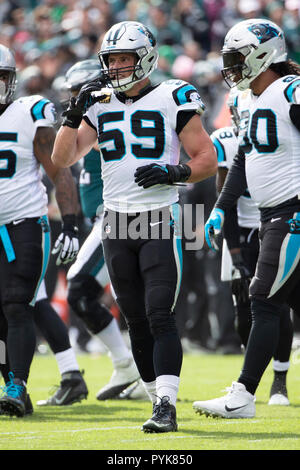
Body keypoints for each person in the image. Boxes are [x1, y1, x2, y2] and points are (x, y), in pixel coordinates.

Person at [51, 21, 217, 433]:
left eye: (124, 58)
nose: (117, 66)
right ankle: (153, 395)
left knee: (160, 314)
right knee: (136, 319)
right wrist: (73, 114)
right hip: (115, 223)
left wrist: (173, 170)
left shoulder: (172, 95)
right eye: (112, 60)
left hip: (159, 218)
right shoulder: (99, 103)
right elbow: (63, 158)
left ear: (144, 57)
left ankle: (166, 404)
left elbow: (206, 158)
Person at [193, 18, 300, 419]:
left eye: (237, 57)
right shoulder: (253, 99)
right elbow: (242, 159)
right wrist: (222, 206)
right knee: (275, 300)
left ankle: (243, 395)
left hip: (291, 213)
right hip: (273, 213)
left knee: (263, 299)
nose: (232, 66)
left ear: (262, 54)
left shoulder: (289, 90)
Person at [0, 43, 80, 417]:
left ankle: (17, 384)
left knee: (18, 304)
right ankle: (13, 389)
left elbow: (58, 170)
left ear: (11, 81)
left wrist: (72, 222)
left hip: (25, 224)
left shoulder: (29, 111)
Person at [58, 59, 143, 402]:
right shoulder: (90, 118)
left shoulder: (108, 116)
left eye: (82, 93)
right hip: (105, 220)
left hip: (121, 218)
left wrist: (86, 109)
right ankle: (129, 366)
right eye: (73, 95)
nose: (77, 100)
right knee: (102, 295)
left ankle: (136, 369)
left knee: (82, 289)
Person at [210, 88, 293, 405]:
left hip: (276, 222)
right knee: (244, 311)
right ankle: (249, 380)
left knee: (276, 303)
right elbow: (225, 200)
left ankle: (279, 381)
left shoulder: (279, 126)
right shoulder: (227, 140)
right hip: (241, 231)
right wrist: (234, 254)